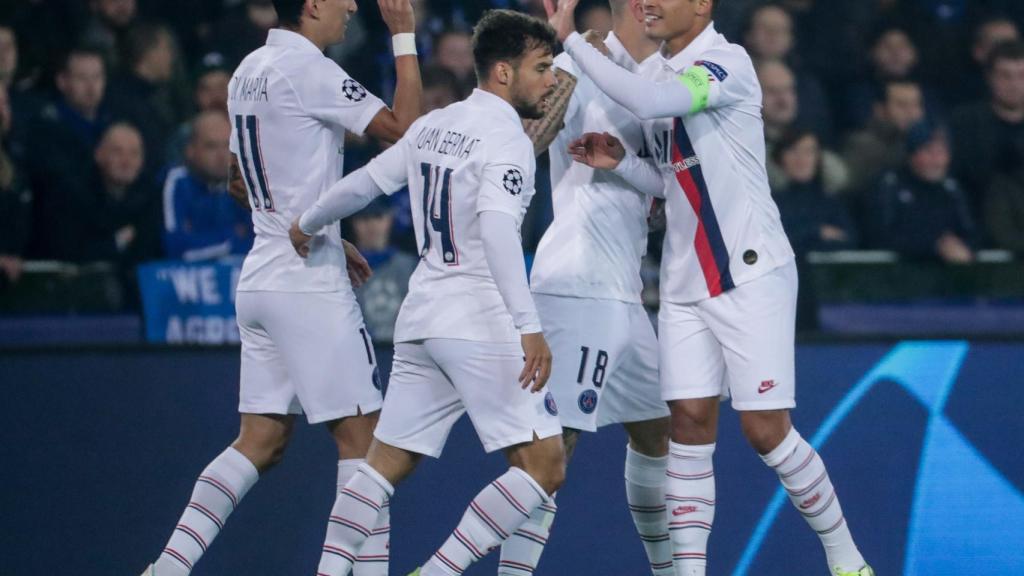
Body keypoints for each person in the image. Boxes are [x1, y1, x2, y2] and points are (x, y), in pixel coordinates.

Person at [545, 0, 874, 573]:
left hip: (751, 273)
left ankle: (846, 559)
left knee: (766, 432)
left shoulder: (726, 63)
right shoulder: (653, 76)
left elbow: (649, 102)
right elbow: (672, 182)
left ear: (701, 5)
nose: (647, 3)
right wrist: (621, 162)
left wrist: (572, 42)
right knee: (689, 427)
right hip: (683, 279)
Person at [140, 0, 422, 572]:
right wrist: (404, 37)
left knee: (261, 441)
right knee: (369, 448)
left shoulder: (248, 69)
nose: (349, 7)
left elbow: (242, 181)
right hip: (306, 288)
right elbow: (406, 134)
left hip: (262, 274)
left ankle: (166, 568)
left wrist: (324, 232)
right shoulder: (309, 68)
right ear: (311, 4)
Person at [289, 10, 564, 576]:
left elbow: (368, 181)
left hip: (423, 317)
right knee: (545, 465)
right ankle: (439, 570)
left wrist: (310, 220)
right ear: (504, 73)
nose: (553, 80)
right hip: (482, 317)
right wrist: (527, 324)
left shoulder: (436, 125)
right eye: (542, 68)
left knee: (381, 465)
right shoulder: (506, 140)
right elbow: (494, 229)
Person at [499, 0, 672, 574]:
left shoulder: (665, 83)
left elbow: (670, 189)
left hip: (625, 291)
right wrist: (565, 50)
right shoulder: (579, 60)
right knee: (551, 452)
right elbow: (524, 141)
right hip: (577, 284)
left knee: (658, 433)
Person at [865, 121, 977, 263]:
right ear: (912, 154)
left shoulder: (952, 190)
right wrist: (934, 247)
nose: (936, 161)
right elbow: (880, 236)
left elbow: (972, 231)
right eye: (929, 152)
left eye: (942, 152)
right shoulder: (889, 186)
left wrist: (963, 247)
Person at [162, 111, 253, 261]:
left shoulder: (244, 182)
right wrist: (231, 238)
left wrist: (202, 240)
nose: (222, 156)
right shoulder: (177, 181)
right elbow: (176, 248)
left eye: (227, 145)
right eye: (211, 146)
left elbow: (260, 243)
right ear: (190, 151)